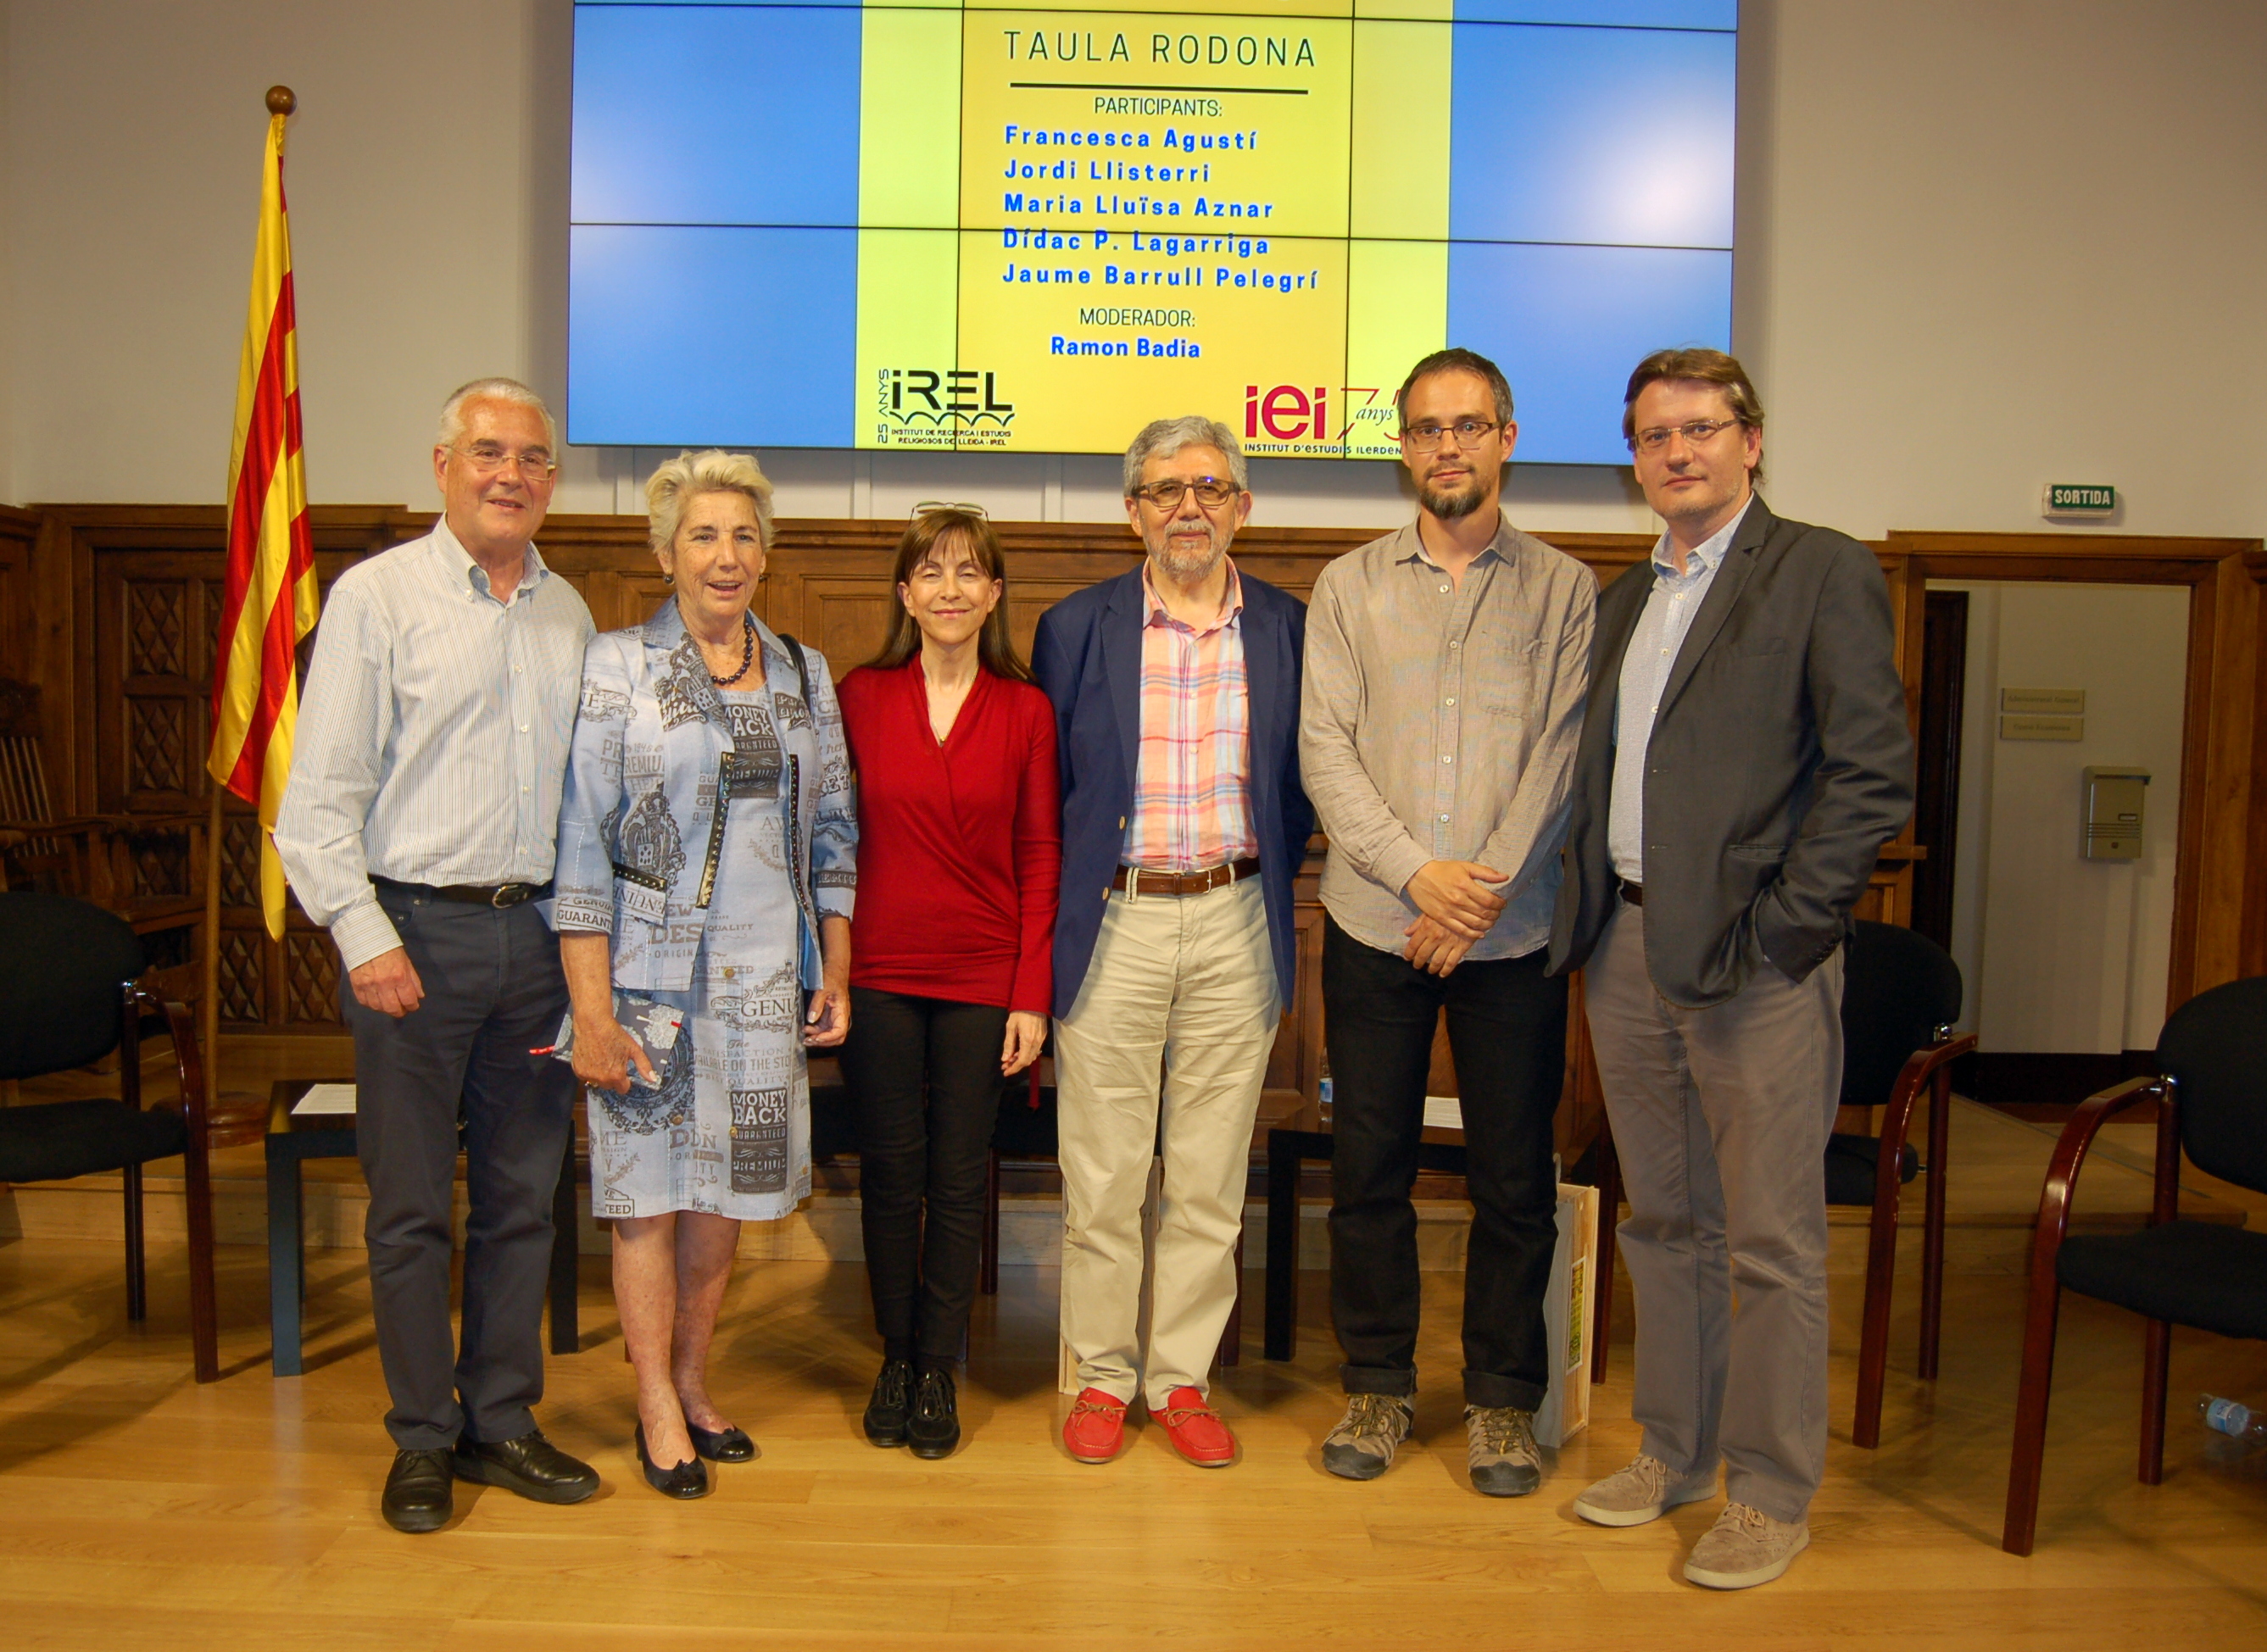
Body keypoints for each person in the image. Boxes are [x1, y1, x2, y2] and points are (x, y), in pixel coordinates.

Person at [1549, 348, 1913, 1588]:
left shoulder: (1818, 570)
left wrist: (1789, 930)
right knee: (1664, 1223)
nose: (1678, 452)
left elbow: (1870, 775)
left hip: (1757, 959)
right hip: (1626, 946)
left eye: (1700, 428)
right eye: (1654, 436)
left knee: (1768, 1240)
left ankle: (1766, 1494)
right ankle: (1674, 1449)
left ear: (1750, 440)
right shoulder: (1624, 599)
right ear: (1634, 460)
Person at [274, 377, 599, 1533]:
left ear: (551, 480)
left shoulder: (568, 613)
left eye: (533, 458)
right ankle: (420, 1435)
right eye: (489, 451)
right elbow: (316, 806)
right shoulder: (378, 598)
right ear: (442, 464)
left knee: (522, 1201)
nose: (512, 474)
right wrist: (365, 937)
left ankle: (499, 1420)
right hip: (411, 937)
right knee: (411, 1207)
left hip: (537, 940)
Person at [1299, 348, 1596, 1495]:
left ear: (1506, 437)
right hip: (1376, 922)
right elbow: (1324, 751)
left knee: (1513, 1176)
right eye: (1426, 429)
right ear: (1403, 448)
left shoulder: (1564, 590)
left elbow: (1561, 756)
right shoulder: (1348, 586)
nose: (1447, 447)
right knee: (1367, 1168)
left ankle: (1501, 1402)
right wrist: (1420, 877)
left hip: (1511, 937)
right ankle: (1377, 1385)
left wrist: (1478, 894)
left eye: (1468, 425)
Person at [553, 449, 856, 1499]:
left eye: (743, 536)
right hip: (645, 984)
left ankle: (690, 1377)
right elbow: (581, 848)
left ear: (766, 555)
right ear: (665, 553)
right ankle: (651, 1401)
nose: (725, 556)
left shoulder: (805, 671)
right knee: (646, 1199)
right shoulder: (615, 665)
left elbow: (835, 829)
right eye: (702, 535)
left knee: (725, 1196)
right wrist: (592, 1010)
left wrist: (836, 962)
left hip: (766, 984)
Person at [1031, 416, 1312, 1469]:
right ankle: (1102, 1377)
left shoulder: (1288, 625)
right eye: (1164, 490)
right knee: (1103, 1173)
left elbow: (1300, 785)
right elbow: (1055, 789)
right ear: (1133, 511)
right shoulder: (1075, 627)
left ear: (1242, 505)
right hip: (1115, 917)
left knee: (1206, 1173)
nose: (1187, 507)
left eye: (1208, 487)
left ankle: (1181, 1376)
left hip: (1237, 916)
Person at [835, 505, 1061, 1460]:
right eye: (931, 571)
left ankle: (938, 1363)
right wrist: (830, 967)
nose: (951, 589)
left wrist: (1031, 993)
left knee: (960, 1175)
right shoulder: (859, 696)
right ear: (905, 592)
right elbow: (827, 839)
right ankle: (894, 1355)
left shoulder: (1026, 710)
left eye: (969, 572)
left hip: (982, 974)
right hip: (880, 969)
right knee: (891, 1172)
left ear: (995, 593)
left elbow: (1041, 854)